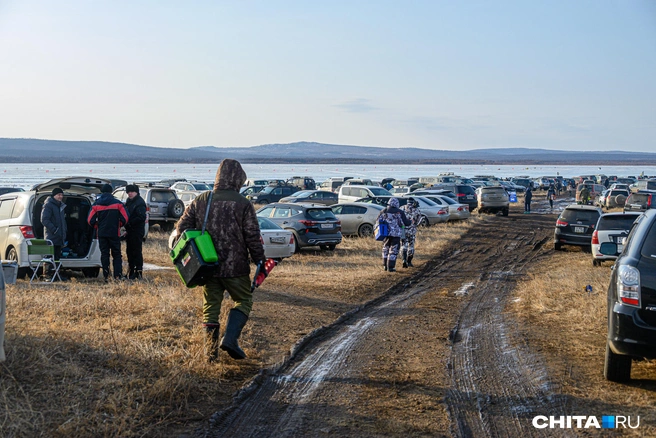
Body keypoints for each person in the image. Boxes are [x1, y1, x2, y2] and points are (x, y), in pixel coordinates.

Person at [176, 159, 266, 363]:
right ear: (238, 179)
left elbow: (182, 227)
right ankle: (230, 340)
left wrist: (199, 244)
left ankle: (210, 356)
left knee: (211, 307)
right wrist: (260, 260)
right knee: (243, 300)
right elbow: (252, 236)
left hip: (207, 265)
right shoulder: (243, 203)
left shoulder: (202, 199)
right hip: (236, 266)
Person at [88, 184, 128, 281]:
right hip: (114, 232)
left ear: (102, 192)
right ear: (111, 191)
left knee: (104, 254)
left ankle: (106, 275)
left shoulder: (96, 204)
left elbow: (90, 220)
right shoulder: (118, 204)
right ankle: (117, 275)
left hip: (102, 233)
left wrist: (98, 226)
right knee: (117, 254)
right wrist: (119, 224)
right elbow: (125, 218)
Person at [377, 197, 411, 272]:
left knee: (385, 249)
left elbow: (378, 221)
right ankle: (391, 267)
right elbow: (405, 222)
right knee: (393, 250)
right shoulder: (400, 212)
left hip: (385, 233)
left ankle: (385, 265)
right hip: (396, 234)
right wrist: (411, 221)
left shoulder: (384, 210)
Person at [41, 187, 68, 281]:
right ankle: (47, 275)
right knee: (49, 256)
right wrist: (54, 230)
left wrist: (64, 231)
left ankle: (56, 274)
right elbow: (44, 219)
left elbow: (62, 221)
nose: (60, 196)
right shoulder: (48, 205)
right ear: (54, 196)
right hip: (51, 236)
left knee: (57, 256)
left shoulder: (60, 206)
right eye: (58, 195)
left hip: (59, 236)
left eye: (61, 195)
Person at [124, 184, 147, 280]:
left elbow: (141, 217)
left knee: (136, 251)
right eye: (128, 192)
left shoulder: (140, 202)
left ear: (136, 192)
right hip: (129, 230)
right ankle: (131, 270)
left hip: (137, 230)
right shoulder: (129, 201)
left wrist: (130, 223)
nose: (129, 193)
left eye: (131, 192)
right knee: (129, 251)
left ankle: (138, 271)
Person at [401, 198, 421, 268]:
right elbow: (418, 221)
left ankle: (404, 260)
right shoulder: (417, 210)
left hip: (404, 230)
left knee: (404, 245)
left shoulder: (402, 208)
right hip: (412, 230)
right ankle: (409, 261)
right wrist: (414, 224)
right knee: (411, 246)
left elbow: (399, 218)